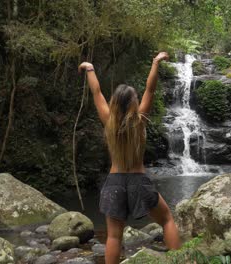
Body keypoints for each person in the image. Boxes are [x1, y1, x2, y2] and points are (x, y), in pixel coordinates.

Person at [78, 52, 181, 264]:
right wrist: (155, 62)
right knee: (168, 220)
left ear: (114, 103)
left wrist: (89, 68)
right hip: (138, 182)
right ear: (134, 102)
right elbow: (151, 89)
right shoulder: (139, 120)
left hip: (114, 182)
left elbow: (96, 92)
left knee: (114, 236)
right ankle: (182, 261)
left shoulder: (108, 121)